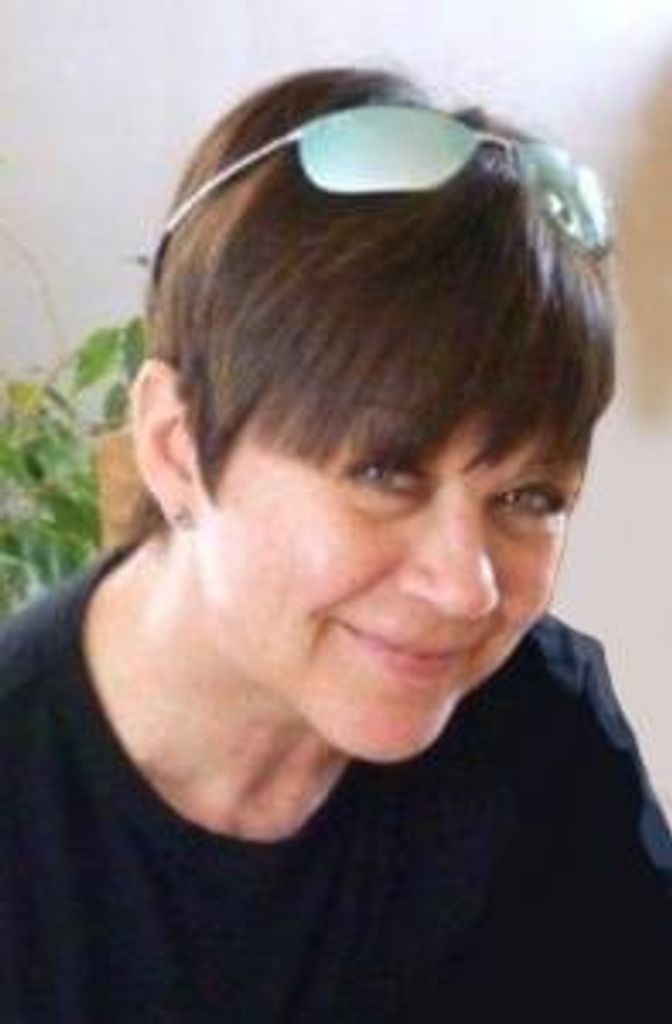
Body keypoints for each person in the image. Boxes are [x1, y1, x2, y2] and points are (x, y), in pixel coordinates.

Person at [0, 65, 669, 1023]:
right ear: (177, 446)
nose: (467, 588)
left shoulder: (537, 727)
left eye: (528, 496)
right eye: (386, 475)